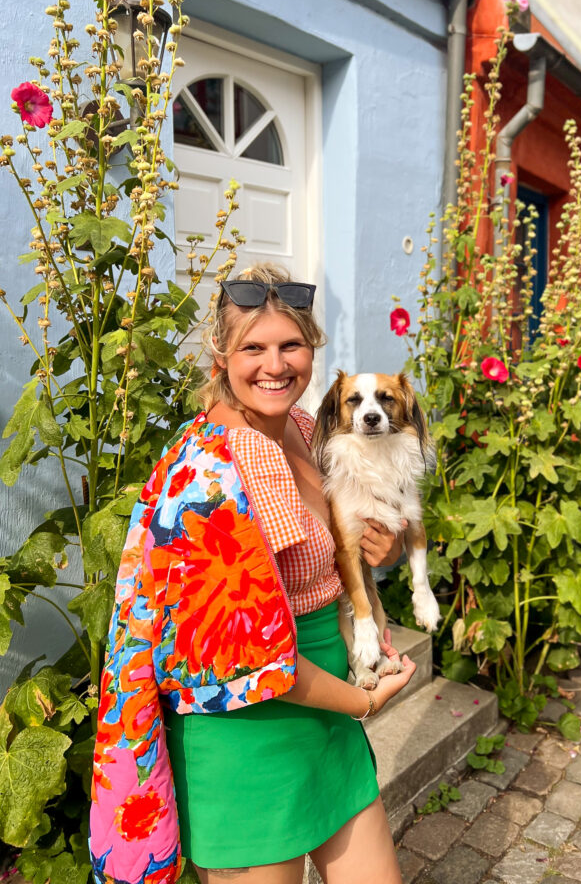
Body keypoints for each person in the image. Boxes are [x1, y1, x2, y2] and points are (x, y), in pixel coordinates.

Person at [89, 263, 417, 884]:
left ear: (311, 347)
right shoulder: (209, 475)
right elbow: (239, 654)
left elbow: (346, 552)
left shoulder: (303, 429)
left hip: (326, 711)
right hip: (248, 731)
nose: (276, 364)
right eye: (253, 348)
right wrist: (365, 702)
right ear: (220, 356)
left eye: (290, 344)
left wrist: (384, 555)